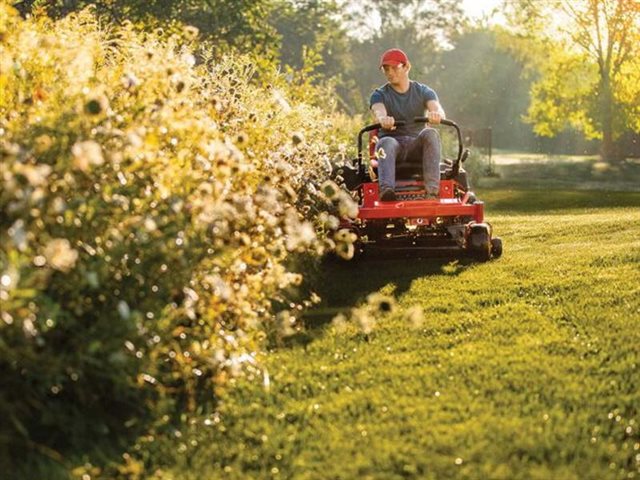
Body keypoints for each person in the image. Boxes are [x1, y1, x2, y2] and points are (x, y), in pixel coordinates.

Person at [370, 48, 446, 201]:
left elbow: (438, 109)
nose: (390, 72)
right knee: (386, 141)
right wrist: (383, 119)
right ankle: (387, 191)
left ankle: (432, 191)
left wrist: (436, 114)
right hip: (392, 147)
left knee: (431, 133)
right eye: (386, 69)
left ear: (406, 67)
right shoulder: (379, 94)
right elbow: (378, 112)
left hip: (415, 146)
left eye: (394, 68)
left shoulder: (424, 91)